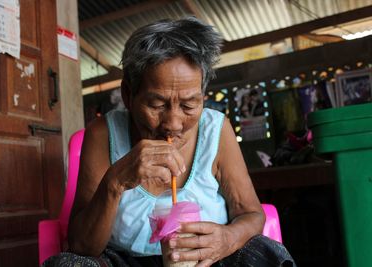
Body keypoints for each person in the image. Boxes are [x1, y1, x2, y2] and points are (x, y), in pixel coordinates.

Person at [43, 17, 295, 267]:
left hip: (207, 260)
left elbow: (251, 214)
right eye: (157, 104)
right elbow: (81, 245)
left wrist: (227, 238)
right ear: (128, 95)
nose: (173, 123)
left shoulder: (216, 129)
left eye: (188, 105)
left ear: (202, 96)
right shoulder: (103, 133)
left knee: (265, 252)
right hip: (124, 262)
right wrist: (115, 182)